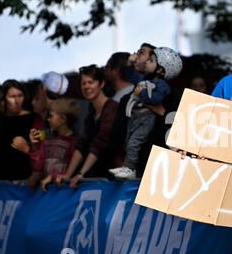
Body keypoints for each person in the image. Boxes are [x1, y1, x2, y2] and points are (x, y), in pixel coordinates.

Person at [109, 47, 183, 179]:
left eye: (151, 60)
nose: (146, 62)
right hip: (143, 159)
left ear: (160, 69)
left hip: (159, 165)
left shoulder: (170, 93)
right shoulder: (144, 83)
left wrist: (153, 105)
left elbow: (173, 129)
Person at [56, 65, 118, 188]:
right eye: (83, 83)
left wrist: (80, 173)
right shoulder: (91, 114)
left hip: (114, 180)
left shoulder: (112, 108)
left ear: (101, 84)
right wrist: (67, 175)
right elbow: (82, 144)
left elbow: (100, 143)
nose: (86, 86)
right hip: (100, 177)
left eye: (91, 82)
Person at [28, 98, 79, 191]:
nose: (48, 119)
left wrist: (53, 176)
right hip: (45, 192)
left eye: (51, 116)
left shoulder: (75, 142)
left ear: (63, 119)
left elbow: (73, 170)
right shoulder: (47, 140)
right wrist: (34, 146)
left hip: (64, 192)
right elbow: (38, 167)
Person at [0, 80, 35, 180]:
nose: (17, 101)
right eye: (12, 97)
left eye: (20, 96)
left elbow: (44, 152)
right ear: (3, 98)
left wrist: (27, 149)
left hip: (25, 181)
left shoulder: (34, 119)